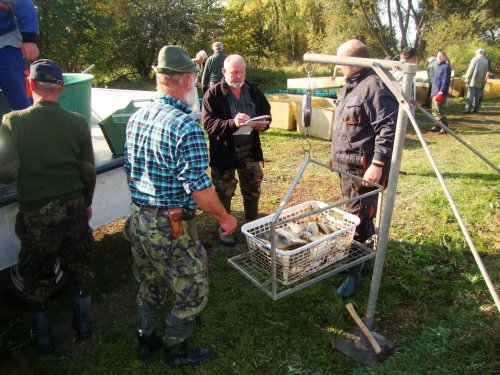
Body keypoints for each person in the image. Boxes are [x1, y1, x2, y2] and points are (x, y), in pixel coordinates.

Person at [123, 45, 237, 368]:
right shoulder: (186, 126)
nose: (197, 87)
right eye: (195, 81)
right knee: (193, 288)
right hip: (168, 224)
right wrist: (225, 217)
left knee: (149, 281)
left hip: (137, 218)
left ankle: (146, 341)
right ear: (187, 80)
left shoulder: (136, 117)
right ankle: (176, 349)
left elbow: (129, 171)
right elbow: (200, 188)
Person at [0, 59, 96, 354]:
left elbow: (8, 172)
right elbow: (88, 171)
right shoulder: (78, 122)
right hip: (74, 206)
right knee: (79, 267)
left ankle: (43, 341)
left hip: (36, 211)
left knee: (37, 274)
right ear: (62, 87)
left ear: (30, 85)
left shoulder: (12, 121)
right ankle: (84, 330)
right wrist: (87, 202)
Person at [330, 39, 397, 298]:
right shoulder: (351, 87)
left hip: (364, 170)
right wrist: (334, 157)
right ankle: (364, 261)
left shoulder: (374, 86)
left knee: (357, 220)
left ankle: (353, 273)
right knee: (355, 216)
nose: (337, 65)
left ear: (351, 62)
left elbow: (387, 128)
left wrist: (378, 163)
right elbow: (346, 127)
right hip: (346, 167)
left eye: (340, 61)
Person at [202, 54, 271, 246]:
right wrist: (232, 123)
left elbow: (267, 114)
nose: (239, 76)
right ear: (224, 72)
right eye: (234, 72)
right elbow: (208, 124)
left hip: (249, 148)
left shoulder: (254, 90)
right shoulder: (213, 94)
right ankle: (225, 228)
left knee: (252, 186)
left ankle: (253, 226)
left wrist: (263, 125)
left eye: (242, 71)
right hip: (225, 151)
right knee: (224, 190)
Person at [0, 0, 39, 111]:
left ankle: (30, 126)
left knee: (24, 104)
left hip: (6, 46)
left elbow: (24, 4)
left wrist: (29, 39)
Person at [430, 50, 451, 133]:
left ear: (444, 57)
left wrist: (441, 92)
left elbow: (445, 80)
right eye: (438, 56)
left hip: (440, 92)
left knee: (439, 110)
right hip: (435, 91)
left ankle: (445, 127)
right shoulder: (438, 66)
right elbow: (436, 80)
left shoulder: (446, 67)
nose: (439, 58)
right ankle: (437, 126)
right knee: (434, 110)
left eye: (441, 56)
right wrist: (432, 92)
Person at [463, 48, 489, 114]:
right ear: (482, 53)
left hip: (472, 80)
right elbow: (485, 72)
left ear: (477, 53)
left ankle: (468, 109)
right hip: (480, 81)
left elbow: (470, 69)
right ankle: (476, 109)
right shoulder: (486, 61)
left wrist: (467, 78)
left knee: (470, 95)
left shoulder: (474, 59)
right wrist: (483, 81)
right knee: (477, 96)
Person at [187, 50, 208, 121]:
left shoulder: (199, 64)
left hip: (194, 85)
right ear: (200, 58)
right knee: (190, 101)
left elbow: (197, 75)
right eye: (204, 60)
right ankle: (190, 117)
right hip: (189, 85)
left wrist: (198, 82)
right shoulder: (191, 62)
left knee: (195, 101)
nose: (204, 61)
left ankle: (196, 116)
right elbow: (189, 74)